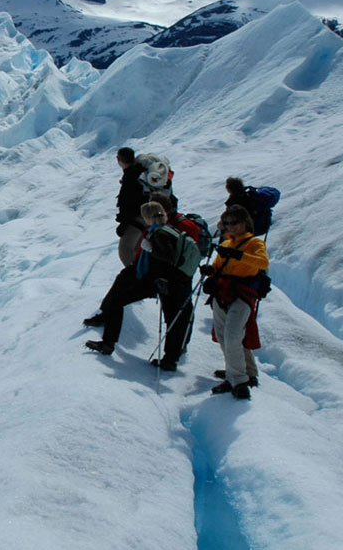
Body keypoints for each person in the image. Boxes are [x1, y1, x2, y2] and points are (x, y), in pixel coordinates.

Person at [85, 201, 199, 367]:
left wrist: (151, 249)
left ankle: (108, 344)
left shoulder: (160, 233)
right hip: (170, 282)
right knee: (172, 319)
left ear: (147, 217)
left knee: (119, 302)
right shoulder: (166, 230)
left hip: (161, 282)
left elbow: (166, 257)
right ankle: (170, 359)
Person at [199, 205, 269, 399]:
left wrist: (239, 256)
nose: (231, 227)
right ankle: (246, 372)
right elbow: (218, 266)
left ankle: (238, 381)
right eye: (227, 223)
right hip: (222, 294)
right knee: (226, 336)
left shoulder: (255, 243)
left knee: (231, 336)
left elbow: (262, 263)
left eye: (234, 222)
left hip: (241, 295)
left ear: (245, 222)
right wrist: (210, 271)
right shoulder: (227, 245)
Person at [114, 147, 147, 267]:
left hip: (137, 219)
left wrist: (124, 224)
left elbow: (129, 204)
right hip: (148, 217)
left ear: (118, 159)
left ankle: (136, 279)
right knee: (138, 252)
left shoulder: (130, 177)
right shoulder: (141, 172)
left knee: (126, 251)